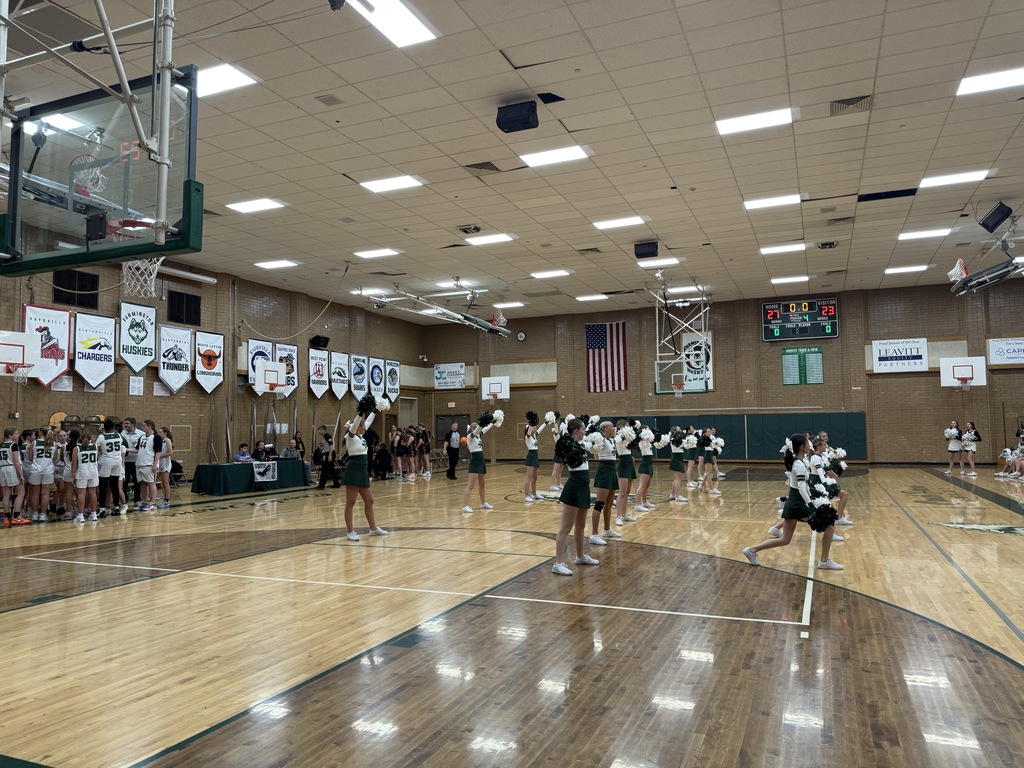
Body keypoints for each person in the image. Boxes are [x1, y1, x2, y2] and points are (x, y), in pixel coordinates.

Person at [742, 433, 843, 571]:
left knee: (785, 539)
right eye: (808, 444)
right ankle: (824, 561)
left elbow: (804, 486)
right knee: (830, 525)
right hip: (798, 504)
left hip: (796, 502)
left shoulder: (802, 461)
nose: (810, 446)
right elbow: (801, 487)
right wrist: (812, 506)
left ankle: (751, 550)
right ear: (802, 447)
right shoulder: (798, 465)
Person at [552, 418, 599, 575]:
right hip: (574, 487)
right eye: (583, 429)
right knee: (566, 527)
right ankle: (557, 563)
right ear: (576, 431)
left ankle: (580, 556)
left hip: (584, 487)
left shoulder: (580, 444)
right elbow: (565, 446)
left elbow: (591, 445)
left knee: (581, 525)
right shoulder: (569, 445)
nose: (585, 432)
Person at [340, 396, 389, 541]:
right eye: (362, 426)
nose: (365, 427)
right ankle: (350, 532)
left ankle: (373, 529)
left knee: (369, 501)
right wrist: (360, 412)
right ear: (357, 427)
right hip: (354, 470)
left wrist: (375, 408)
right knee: (351, 502)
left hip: (362, 471)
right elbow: (356, 424)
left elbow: (369, 420)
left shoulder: (361, 436)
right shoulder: (351, 436)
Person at [461, 412, 501, 512]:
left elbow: (485, 429)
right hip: (475, 460)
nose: (480, 430)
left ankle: (483, 503)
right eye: (477, 429)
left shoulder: (479, 435)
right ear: (473, 429)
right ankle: (464, 506)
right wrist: (481, 424)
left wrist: (493, 421)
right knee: (470, 485)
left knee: (482, 483)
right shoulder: (470, 437)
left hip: (481, 460)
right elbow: (478, 429)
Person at [588, 421, 620, 546]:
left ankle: (606, 530)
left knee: (609, 504)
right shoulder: (600, 439)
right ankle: (594, 534)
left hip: (612, 470)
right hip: (604, 470)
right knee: (599, 504)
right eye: (612, 426)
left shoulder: (612, 440)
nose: (614, 428)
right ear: (606, 429)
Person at [96, 419, 127, 516]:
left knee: (103, 486)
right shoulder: (118, 435)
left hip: (106, 461)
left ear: (104, 428)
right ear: (113, 428)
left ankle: (102, 509)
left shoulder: (101, 436)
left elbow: (97, 450)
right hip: (117, 462)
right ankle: (117, 507)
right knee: (114, 485)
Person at [27, 428, 55, 522]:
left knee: (35, 494)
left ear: (40, 433)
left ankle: (35, 514)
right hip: (48, 471)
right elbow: (54, 458)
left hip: (35, 470)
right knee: (45, 494)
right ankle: (43, 515)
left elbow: (30, 458)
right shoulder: (54, 444)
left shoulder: (34, 443)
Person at [1, 426, 28, 526]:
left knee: (6, 494)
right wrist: (21, 475)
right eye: (16, 434)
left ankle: (7, 518)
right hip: (11, 468)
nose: (18, 435)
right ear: (10, 435)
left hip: (2, 468)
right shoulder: (13, 445)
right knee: (21, 491)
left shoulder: (1, 445)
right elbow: (16, 461)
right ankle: (16, 516)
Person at [135, 420, 162, 513]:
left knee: (151, 483)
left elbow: (158, 452)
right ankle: (144, 502)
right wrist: (124, 449)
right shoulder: (142, 437)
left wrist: (155, 464)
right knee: (142, 483)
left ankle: (153, 503)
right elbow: (137, 449)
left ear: (150, 426)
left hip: (149, 464)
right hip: (139, 463)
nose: (142, 428)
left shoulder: (156, 437)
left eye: (144, 426)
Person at [72, 430, 100, 523]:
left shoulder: (77, 448)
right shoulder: (95, 446)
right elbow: (97, 458)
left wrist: (72, 477)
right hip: (93, 472)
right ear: (90, 438)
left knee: (81, 494)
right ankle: (93, 514)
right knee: (93, 493)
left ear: (80, 438)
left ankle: (80, 515)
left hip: (82, 473)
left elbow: (74, 465)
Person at [614, 420, 638, 527]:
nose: (628, 428)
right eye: (626, 426)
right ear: (620, 426)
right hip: (623, 462)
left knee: (627, 492)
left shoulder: (629, 437)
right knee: (622, 492)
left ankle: (624, 514)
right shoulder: (617, 436)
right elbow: (618, 443)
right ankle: (618, 516)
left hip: (629, 461)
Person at [522, 412, 546, 502]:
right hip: (531, 457)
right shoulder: (527, 437)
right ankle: (526, 495)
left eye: (535, 428)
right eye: (534, 428)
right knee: (529, 477)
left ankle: (534, 494)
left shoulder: (535, 436)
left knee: (535, 477)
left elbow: (540, 429)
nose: (535, 429)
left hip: (535, 456)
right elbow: (529, 429)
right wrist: (531, 422)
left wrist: (547, 422)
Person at [120, 417, 142, 507]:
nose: (125, 425)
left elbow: (140, 449)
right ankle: (124, 500)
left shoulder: (141, 434)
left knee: (137, 481)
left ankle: (137, 500)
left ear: (133, 424)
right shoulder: (122, 433)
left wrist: (127, 449)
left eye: (127, 423)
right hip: (125, 461)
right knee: (125, 482)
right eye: (125, 424)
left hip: (136, 461)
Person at [316, 425, 341, 489]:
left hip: (330, 453)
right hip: (328, 453)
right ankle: (336, 484)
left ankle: (321, 485)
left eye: (320, 430)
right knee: (331, 470)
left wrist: (330, 455)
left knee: (325, 469)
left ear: (324, 430)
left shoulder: (327, 436)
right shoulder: (324, 437)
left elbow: (331, 445)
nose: (319, 431)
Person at [157, 427, 174, 508]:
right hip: (158, 463)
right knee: (153, 481)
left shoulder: (167, 440)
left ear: (165, 433)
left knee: (165, 482)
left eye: (160, 432)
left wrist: (160, 456)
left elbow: (170, 453)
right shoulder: (158, 440)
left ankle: (167, 500)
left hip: (165, 463)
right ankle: (152, 499)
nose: (158, 433)